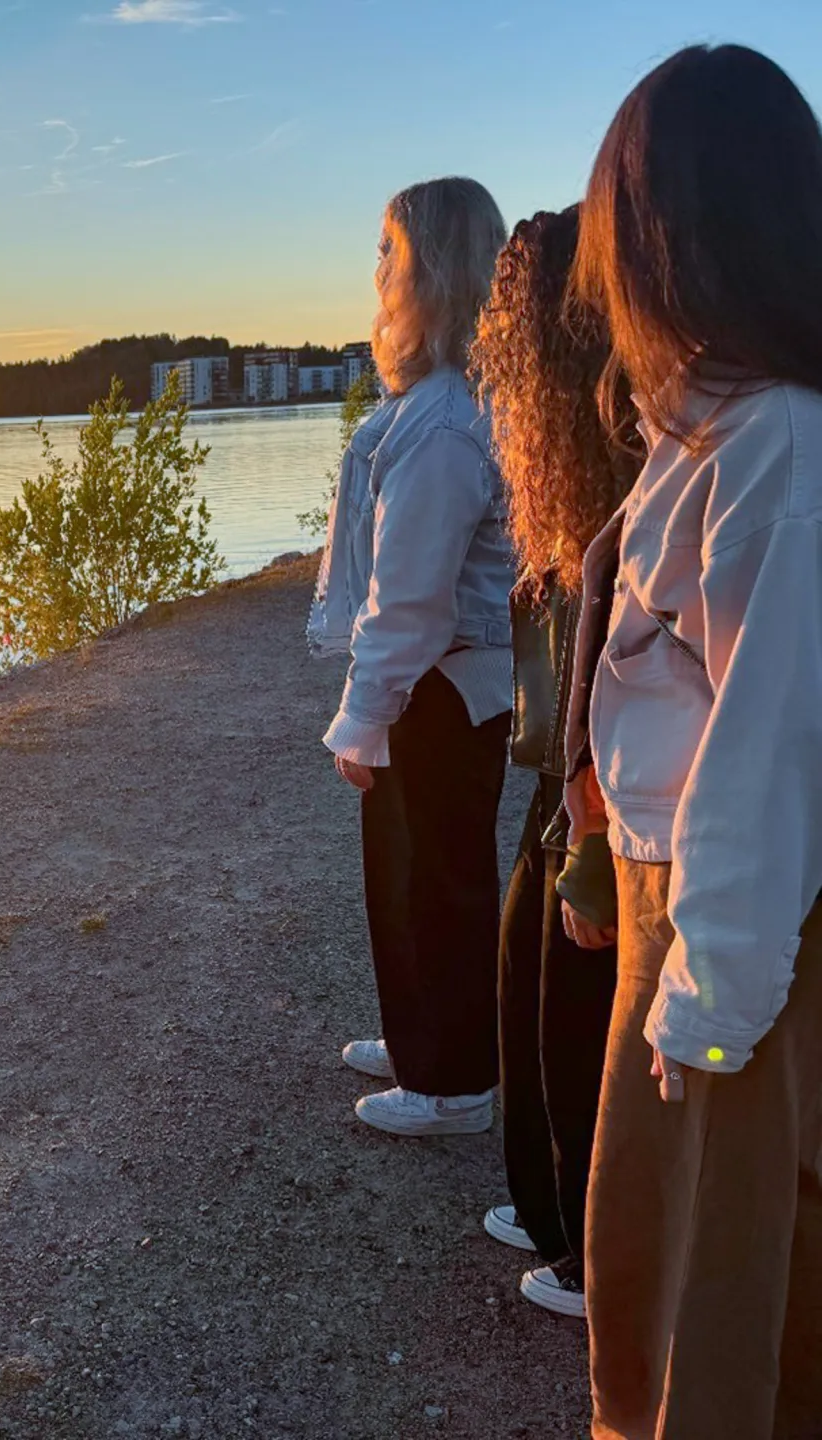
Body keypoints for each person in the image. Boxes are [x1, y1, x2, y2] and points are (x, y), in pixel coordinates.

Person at [566, 44, 822, 1437]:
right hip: (677, 908)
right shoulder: (709, 431)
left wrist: (712, 1002)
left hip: (726, 933)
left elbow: (772, 742)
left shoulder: (778, 443)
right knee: (657, 1264)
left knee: (715, 1287)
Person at [308, 177, 512, 1137]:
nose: (377, 267)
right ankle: (422, 1038)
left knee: (436, 878)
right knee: (412, 872)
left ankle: (453, 1082)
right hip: (439, 686)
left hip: (439, 689)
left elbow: (412, 599)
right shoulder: (450, 402)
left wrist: (362, 716)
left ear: (428, 272)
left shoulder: (442, 423)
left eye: (389, 248)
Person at [470, 206, 640, 1319]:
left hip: (601, 788)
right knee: (529, 977)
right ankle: (555, 1213)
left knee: (573, 997)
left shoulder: (633, 464)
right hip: (570, 774)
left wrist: (590, 828)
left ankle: (593, 1249)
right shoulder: (598, 462)